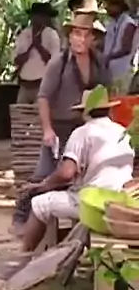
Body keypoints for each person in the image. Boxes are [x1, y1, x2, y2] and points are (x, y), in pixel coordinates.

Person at [12, 12, 111, 234]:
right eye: (77, 34)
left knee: (85, 176)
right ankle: (21, 217)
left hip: (88, 126)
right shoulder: (59, 62)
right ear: (70, 36)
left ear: (93, 38)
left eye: (86, 35)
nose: (81, 40)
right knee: (45, 173)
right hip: (60, 126)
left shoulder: (99, 62)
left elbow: (107, 93)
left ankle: (78, 224)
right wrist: (47, 129)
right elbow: (43, 97)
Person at [21, 88, 133, 253]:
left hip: (94, 205)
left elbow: (66, 173)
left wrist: (45, 185)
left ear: (85, 112)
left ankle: (24, 254)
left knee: (39, 204)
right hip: (122, 201)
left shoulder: (82, 133)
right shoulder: (123, 132)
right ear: (109, 110)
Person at [14, 2, 61, 104]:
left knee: (38, 112)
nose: (37, 19)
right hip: (25, 84)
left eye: (41, 16)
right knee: (20, 112)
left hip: (42, 85)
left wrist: (39, 46)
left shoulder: (52, 35)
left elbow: (54, 62)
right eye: (36, 16)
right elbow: (16, 60)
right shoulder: (24, 34)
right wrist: (30, 47)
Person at [103, 0, 138, 93]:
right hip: (111, 72)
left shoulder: (128, 23)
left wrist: (108, 57)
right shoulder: (112, 23)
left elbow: (126, 48)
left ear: (118, 6)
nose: (106, 8)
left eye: (109, 5)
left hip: (122, 72)